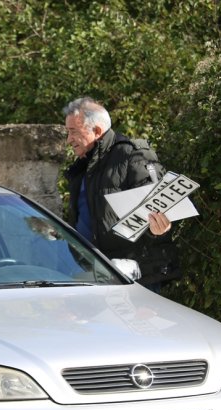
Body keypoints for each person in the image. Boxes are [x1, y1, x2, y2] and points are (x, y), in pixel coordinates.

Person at [62, 96, 181, 292]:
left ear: (97, 131)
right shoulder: (81, 168)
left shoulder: (132, 155)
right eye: (67, 133)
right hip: (94, 276)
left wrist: (158, 228)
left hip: (137, 279)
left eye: (73, 132)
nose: (69, 140)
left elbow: (160, 210)